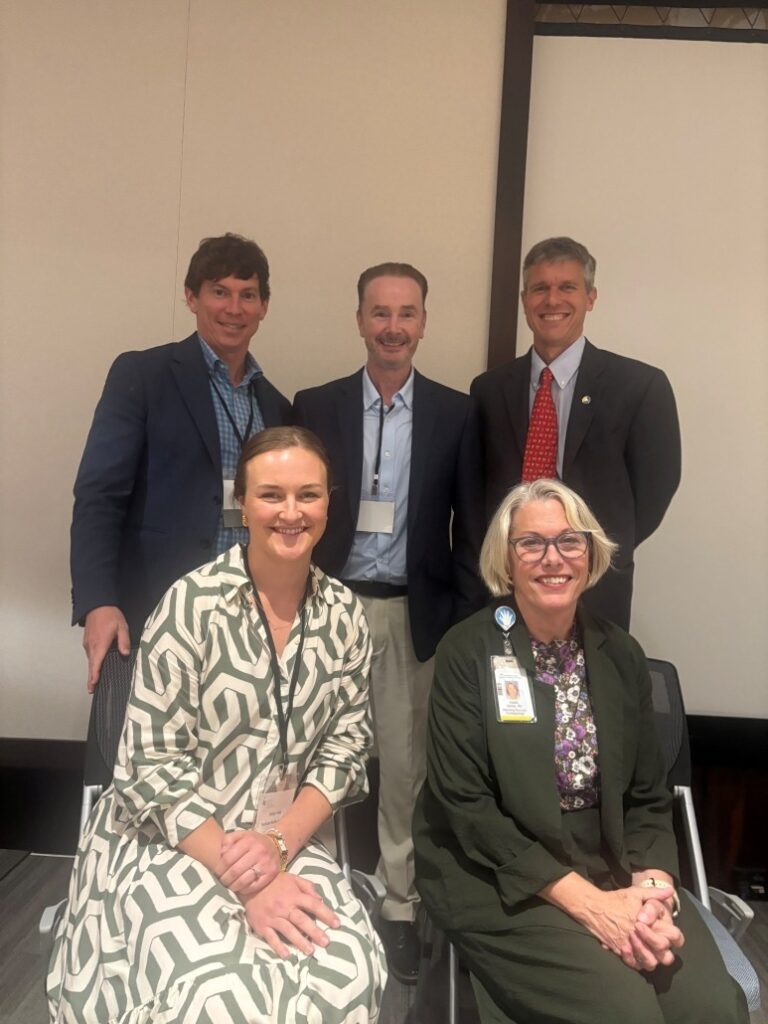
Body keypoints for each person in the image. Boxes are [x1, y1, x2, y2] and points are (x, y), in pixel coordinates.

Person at [49, 427, 387, 1024]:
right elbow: (150, 767)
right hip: (168, 837)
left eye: (307, 495)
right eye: (271, 495)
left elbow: (346, 748)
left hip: (285, 834)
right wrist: (250, 882)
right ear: (242, 503)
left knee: (349, 972)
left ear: (329, 503)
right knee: (219, 995)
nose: (290, 512)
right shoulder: (191, 605)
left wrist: (278, 847)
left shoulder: (345, 615)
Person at [413, 479, 748, 1024]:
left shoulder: (621, 654)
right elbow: (466, 806)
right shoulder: (467, 651)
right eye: (531, 543)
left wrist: (654, 893)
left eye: (570, 541)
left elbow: (645, 798)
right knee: (623, 1012)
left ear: (590, 555)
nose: (553, 559)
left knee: (709, 1008)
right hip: (492, 871)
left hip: (609, 861)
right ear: (507, 557)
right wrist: (593, 907)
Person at [293, 263, 485, 983]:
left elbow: (470, 522)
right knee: (309, 755)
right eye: (380, 312)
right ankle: (309, 892)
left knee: (404, 769)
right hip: (329, 607)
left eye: (407, 313)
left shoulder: (456, 411)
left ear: (424, 322)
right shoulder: (316, 404)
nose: (393, 327)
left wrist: (464, 618)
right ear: (360, 320)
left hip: (414, 611)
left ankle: (399, 908)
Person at [71, 233, 292, 692]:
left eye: (247, 294)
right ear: (191, 297)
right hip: (152, 612)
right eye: (219, 291)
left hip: (248, 621)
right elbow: (99, 496)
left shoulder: (275, 406)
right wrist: (98, 601)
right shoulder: (143, 376)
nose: (234, 308)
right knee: (135, 757)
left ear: (264, 306)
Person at [470, 237, 681, 629]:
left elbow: (656, 490)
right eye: (540, 288)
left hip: (597, 587)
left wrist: (586, 550)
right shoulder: (488, 390)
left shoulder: (639, 387)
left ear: (590, 297)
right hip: (506, 585)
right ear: (524, 299)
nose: (552, 300)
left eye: (567, 287)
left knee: (594, 688)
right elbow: (476, 491)